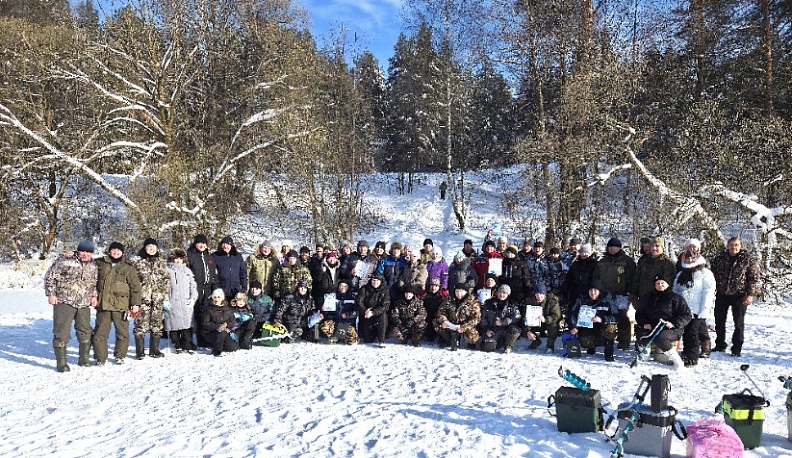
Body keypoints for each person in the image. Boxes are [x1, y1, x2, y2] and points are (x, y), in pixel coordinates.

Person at [44, 240, 99, 372]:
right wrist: (51, 294)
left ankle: (84, 358)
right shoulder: (64, 260)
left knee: (85, 330)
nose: (85, 254)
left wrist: (94, 296)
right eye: (83, 251)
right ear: (78, 250)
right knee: (61, 331)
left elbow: (94, 283)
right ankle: (61, 363)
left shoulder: (93, 265)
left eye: (88, 252)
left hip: (83, 302)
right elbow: (50, 277)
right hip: (64, 300)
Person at [93, 242, 142, 366]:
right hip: (103, 305)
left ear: (123, 253)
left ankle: (120, 355)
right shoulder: (100, 263)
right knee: (100, 332)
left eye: (118, 251)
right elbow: (86, 264)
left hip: (121, 305)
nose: (115, 252)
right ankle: (100, 357)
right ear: (109, 251)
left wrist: (135, 304)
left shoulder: (128, 267)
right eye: (113, 250)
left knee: (122, 333)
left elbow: (135, 287)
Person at [710, 237, 761, 356]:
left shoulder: (748, 259)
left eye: (736, 245)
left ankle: (737, 348)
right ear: (727, 246)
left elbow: (753, 278)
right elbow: (712, 275)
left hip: (740, 295)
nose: (734, 247)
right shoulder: (719, 258)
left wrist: (750, 294)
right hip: (722, 294)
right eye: (731, 245)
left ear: (741, 246)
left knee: (738, 323)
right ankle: (720, 344)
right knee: (719, 321)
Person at [673, 239, 716, 366]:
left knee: (692, 333)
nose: (689, 260)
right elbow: (676, 290)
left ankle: (692, 357)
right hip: (683, 309)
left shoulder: (704, 273)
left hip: (696, 309)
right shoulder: (681, 273)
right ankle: (686, 353)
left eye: (692, 258)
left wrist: (705, 309)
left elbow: (709, 292)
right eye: (687, 258)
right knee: (685, 332)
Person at [635, 275, 692, 370]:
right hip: (653, 326)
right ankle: (645, 356)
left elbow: (686, 315)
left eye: (662, 283)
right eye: (657, 283)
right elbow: (640, 312)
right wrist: (645, 323)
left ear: (667, 284)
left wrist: (673, 323)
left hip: (671, 328)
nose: (660, 285)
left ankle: (677, 361)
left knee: (661, 337)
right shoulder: (648, 297)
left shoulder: (676, 298)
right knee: (642, 334)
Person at [631, 236, 677, 350]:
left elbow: (669, 284)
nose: (654, 248)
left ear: (662, 247)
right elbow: (637, 278)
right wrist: (633, 295)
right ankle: (642, 343)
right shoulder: (643, 260)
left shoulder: (667, 263)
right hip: (643, 297)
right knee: (642, 320)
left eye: (657, 246)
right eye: (652, 246)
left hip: (659, 300)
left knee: (657, 321)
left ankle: (657, 345)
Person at [594, 237, 637, 350]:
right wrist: (596, 289)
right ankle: (604, 339)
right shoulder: (602, 261)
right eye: (610, 246)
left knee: (623, 317)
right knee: (604, 316)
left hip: (622, 294)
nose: (613, 249)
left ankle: (624, 342)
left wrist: (631, 292)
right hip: (605, 294)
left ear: (619, 247)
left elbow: (633, 278)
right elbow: (596, 277)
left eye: (615, 246)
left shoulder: (627, 261)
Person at [131, 238, 171, 360]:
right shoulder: (137, 262)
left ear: (157, 248)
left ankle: (154, 350)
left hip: (157, 300)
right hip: (142, 300)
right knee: (140, 325)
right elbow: (131, 280)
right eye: (149, 246)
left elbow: (167, 279)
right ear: (144, 248)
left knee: (157, 326)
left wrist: (163, 293)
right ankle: (140, 352)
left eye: (153, 246)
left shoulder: (162, 262)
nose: (151, 248)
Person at [566, 281, 619, 361]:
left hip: (603, 326)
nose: (593, 293)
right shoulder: (581, 300)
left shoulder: (608, 300)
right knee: (584, 341)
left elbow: (616, 317)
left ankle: (609, 352)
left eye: (595, 290)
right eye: (591, 290)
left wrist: (602, 319)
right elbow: (572, 314)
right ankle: (591, 346)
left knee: (610, 327)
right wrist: (573, 326)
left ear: (599, 291)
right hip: (587, 327)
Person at [164, 248, 198, 355]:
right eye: (176, 258)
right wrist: (165, 300)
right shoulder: (167, 271)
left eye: (180, 258)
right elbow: (163, 287)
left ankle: (187, 344)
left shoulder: (187, 271)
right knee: (174, 325)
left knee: (186, 325)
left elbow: (193, 286)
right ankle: (177, 344)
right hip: (172, 302)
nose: (178, 260)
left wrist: (193, 298)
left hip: (185, 302)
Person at [186, 234, 218, 348]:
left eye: (204, 243)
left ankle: (202, 339)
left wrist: (216, 289)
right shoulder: (189, 255)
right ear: (195, 243)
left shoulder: (209, 257)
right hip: (195, 288)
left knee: (204, 315)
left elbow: (214, 275)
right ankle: (188, 341)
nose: (202, 245)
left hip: (208, 289)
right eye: (200, 243)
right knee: (191, 315)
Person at [434, 283, 482, 351]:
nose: (459, 293)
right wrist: (444, 321)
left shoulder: (473, 302)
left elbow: (476, 318)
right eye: (457, 291)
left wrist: (464, 327)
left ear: (466, 292)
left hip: (464, 325)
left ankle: (466, 342)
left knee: (472, 337)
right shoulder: (449, 299)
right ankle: (448, 340)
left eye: (461, 291)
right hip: (451, 324)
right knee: (437, 323)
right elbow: (441, 311)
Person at [479, 284, 521, 353]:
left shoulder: (512, 304)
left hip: (507, 329)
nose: (501, 294)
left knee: (515, 330)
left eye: (504, 293)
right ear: (497, 292)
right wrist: (486, 329)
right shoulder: (489, 303)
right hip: (493, 329)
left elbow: (517, 316)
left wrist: (504, 321)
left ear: (508, 294)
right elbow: (483, 318)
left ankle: (508, 346)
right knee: (486, 348)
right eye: (500, 292)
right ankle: (499, 342)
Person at [523, 283, 562, 352]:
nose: (539, 296)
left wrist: (545, 319)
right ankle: (536, 341)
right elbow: (525, 317)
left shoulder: (552, 301)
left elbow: (556, 316)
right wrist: (528, 331)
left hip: (547, 323)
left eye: (541, 294)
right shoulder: (530, 302)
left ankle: (550, 346)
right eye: (537, 294)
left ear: (545, 294)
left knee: (554, 326)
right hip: (535, 322)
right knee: (523, 327)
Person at [319, 279, 359, 344]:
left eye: (345, 286)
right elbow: (327, 313)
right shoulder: (332, 296)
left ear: (348, 287)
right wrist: (324, 309)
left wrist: (347, 315)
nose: (343, 288)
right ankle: (333, 337)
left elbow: (357, 312)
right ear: (338, 287)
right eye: (341, 286)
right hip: (335, 322)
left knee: (352, 341)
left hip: (347, 323)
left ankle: (342, 336)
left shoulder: (353, 297)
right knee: (325, 326)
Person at [356, 272, 390, 346]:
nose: (375, 282)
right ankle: (373, 333)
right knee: (368, 340)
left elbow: (386, 305)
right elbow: (359, 302)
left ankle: (381, 340)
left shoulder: (385, 290)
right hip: (366, 314)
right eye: (373, 280)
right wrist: (365, 311)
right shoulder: (364, 289)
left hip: (378, 313)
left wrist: (373, 312)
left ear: (381, 281)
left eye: (377, 281)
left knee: (383, 315)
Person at [201, 288, 237, 357]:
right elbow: (205, 323)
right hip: (210, 332)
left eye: (218, 297)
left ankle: (222, 344)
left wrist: (226, 325)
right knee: (221, 332)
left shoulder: (227, 308)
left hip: (225, 330)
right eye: (214, 297)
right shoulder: (208, 309)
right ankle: (217, 350)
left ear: (222, 298)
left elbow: (232, 320)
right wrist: (218, 326)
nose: (216, 299)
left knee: (232, 347)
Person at [422, 278, 445, 343]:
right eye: (432, 285)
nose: (433, 288)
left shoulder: (442, 297)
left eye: (436, 286)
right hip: (427, 316)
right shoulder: (425, 296)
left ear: (439, 287)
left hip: (436, 317)